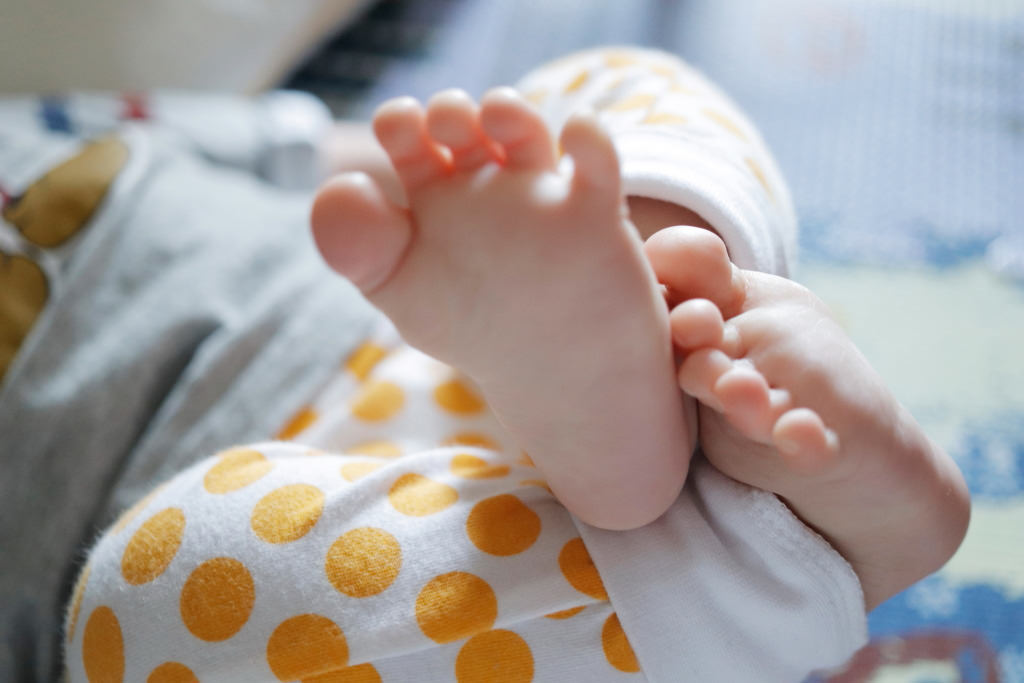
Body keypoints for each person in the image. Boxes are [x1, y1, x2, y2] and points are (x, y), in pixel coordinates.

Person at [0, 48, 966, 682]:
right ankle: (740, 559)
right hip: (380, 561)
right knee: (151, 588)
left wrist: (466, 198)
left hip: (422, 327)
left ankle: (663, 286)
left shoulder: (29, 122)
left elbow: (322, 150)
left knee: (615, 88)